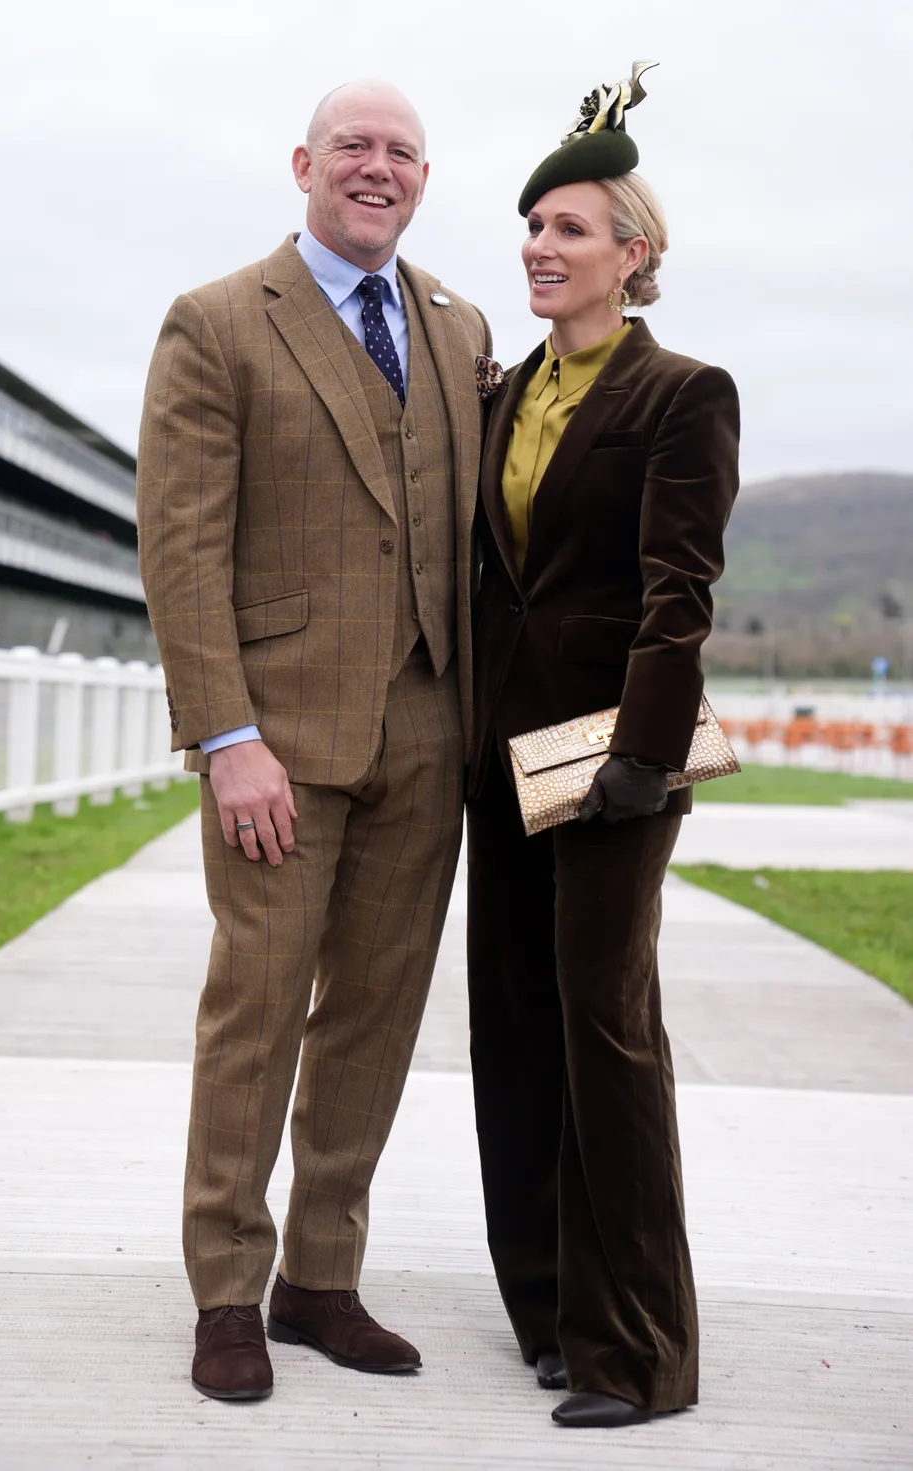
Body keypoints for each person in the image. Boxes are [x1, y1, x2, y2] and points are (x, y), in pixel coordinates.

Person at [137, 79, 491, 1401]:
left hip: (429, 731)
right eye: (355, 146)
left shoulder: (458, 325)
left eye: (403, 152)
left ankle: (321, 1278)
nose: (378, 167)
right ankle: (227, 1286)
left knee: (376, 1019)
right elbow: (181, 547)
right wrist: (225, 735)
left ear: (423, 178)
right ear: (304, 164)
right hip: (275, 739)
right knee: (259, 1009)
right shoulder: (220, 320)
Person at [466, 62, 740, 1429]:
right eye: (533, 226)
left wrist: (644, 753)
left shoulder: (684, 393)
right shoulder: (500, 392)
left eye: (570, 228)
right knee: (512, 1025)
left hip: (616, 763)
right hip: (500, 754)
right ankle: (550, 1312)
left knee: (605, 1029)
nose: (541, 245)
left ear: (633, 254)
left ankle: (638, 1351)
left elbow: (680, 588)